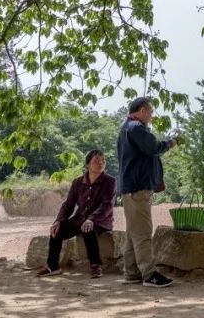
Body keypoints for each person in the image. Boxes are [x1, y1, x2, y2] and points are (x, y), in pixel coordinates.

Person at [118, 96, 177, 288]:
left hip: (130, 188)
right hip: (138, 187)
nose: (151, 116)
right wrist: (169, 143)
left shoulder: (127, 128)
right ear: (142, 111)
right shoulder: (136, 128)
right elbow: (153, 147)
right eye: (150, 112)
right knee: (142, 232)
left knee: (132, 233)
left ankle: (131, 272)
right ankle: (149, 274)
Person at [36, 149, 116, 279]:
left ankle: (95, 265)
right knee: (57, 230)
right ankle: (53, 266)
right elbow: (68, 204)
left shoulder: (110, 181)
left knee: (88, 229)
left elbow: (107, 205)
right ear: (87, 165)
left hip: (101, 221)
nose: (101, 163)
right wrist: (59, 220)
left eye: (103, 161)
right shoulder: (77, 182)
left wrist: (92, 219)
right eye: (96, 161)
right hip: (79, 219)